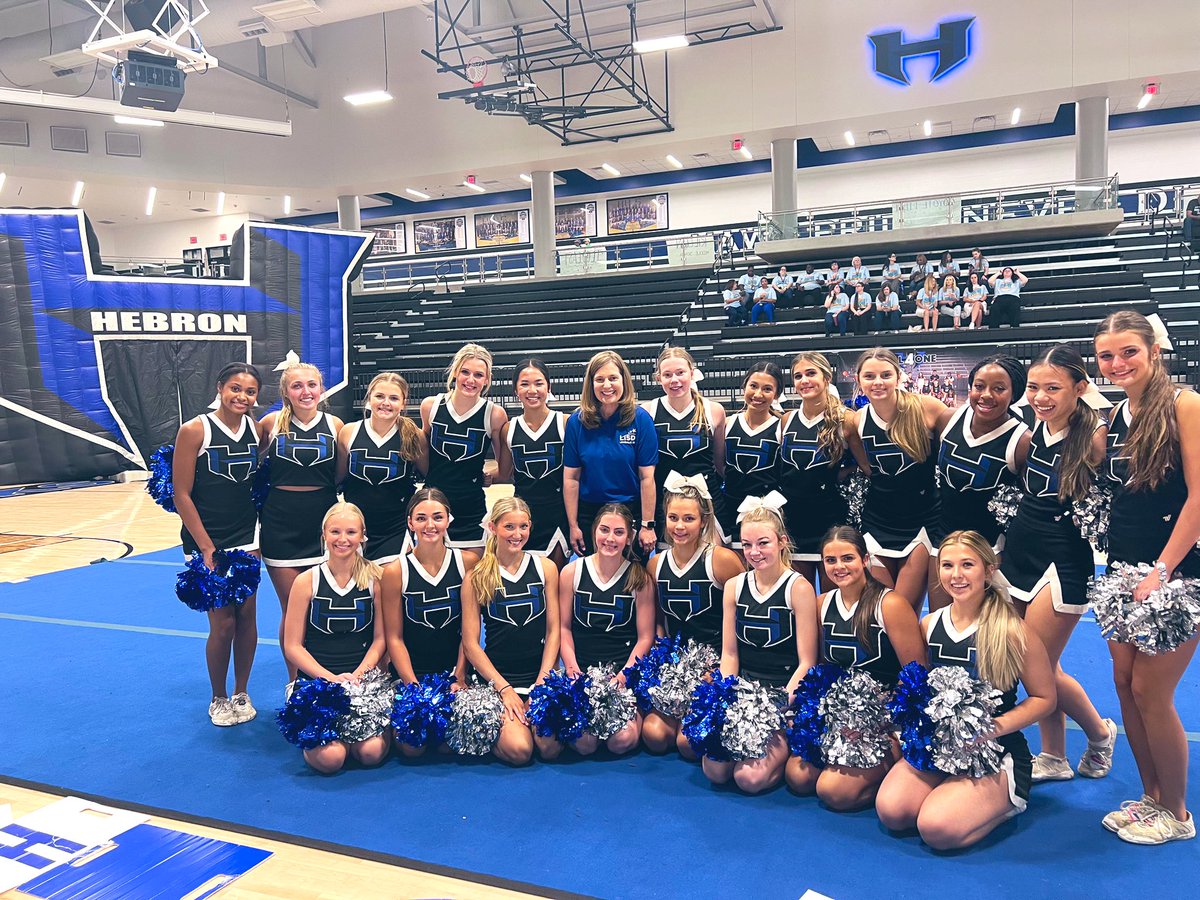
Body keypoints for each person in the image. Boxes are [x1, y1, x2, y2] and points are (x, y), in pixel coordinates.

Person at [875, 531, 1055, 849]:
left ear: (988, 570)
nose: (956, 575)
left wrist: (990, 729)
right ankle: (953, 790)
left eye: (967, 565)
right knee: (892, 811)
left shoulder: (1012, 629)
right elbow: (915, 686)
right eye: (947, 565)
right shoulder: (930, 624)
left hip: (994, 750)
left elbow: (1044, 699)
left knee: (935, 828)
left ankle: (1011, 797)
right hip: (939, 746)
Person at [1094, 311, 1200, 843]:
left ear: (1155, 350)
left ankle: (1177, 813)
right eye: (1107, 355)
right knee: (1123, 686)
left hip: (1174, 573)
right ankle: (1151, 796)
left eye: (1128, 352)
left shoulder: (1186, 405)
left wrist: (1163, 569)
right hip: (1121, 571)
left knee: (1150, 690)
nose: (1117, 364)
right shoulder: (1115, 415)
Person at [1000, 345, 1118, 783]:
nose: (1040, 396)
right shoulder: (1032, 430)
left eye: (1053, 388)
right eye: (1034, 387)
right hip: (1020, 553)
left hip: (1063, 560)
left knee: (1041, 665)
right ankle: (1054, 756)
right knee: (1034, 663)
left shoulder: (1094, 438)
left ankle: (1100, 734)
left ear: (1080, 388)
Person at [785, 527, 925, 809]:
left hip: (884, 720)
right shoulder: (822, 604)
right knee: (797, 778)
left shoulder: (890, 604)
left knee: (833, 791)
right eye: (831, 560)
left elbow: (916, 674)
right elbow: (822, 668)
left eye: (847, 558)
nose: (839, 567)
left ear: (864, 559)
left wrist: (878, 722)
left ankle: (892, 768)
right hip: (840, 715)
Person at [702, 501, 819, 794]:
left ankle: (787, 743)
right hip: (744, 692)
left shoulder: (799, 587)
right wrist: (725, 694)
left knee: (748, 779)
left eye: (763, 543)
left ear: (782, 542)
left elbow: (807, 662)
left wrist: (778, 705)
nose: (754, 552)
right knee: (715, 770)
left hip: (781, 697)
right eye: (747, 544)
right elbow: (729, 653)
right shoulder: (735, 586)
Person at [171, 362, 263, 726]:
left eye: (251, 391)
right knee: (222, 624)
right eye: (236, 388)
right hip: (206, 540)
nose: (242, 396)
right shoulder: (195, 429)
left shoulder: (256, 430)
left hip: (247, 538)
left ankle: (242, 691)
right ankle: (218, 697)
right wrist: (206, 547)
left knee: (247, 618)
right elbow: (181, 494)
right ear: (220, 387)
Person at [281, 502, 390, 774]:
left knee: (371, 753)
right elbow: (292, 646)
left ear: (363, 535)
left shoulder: (377, 578)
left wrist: (358, 676)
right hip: (317, 682)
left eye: (351, 532)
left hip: (361, 681)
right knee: (331, 760)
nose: (343, 539)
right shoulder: (306, 581)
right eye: (335, 532)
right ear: (324, 535)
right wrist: (329, 679)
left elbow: (380, 640)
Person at [643, 477, 743, 756]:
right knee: (653, 736)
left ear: (703, 520)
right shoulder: (656, 564)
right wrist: (663, 662)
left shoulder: (721, 560)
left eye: (689, 518)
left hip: (713, 664)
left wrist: (722, 667)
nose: (679, 526)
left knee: (688, 744)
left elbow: (741, 619)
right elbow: (660, 622)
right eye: (673, 517)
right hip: (676, 664)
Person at [461, 497, 563, 766]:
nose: (517, 535)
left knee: (550, 748)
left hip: (537, 674)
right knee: (520, 751)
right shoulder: (477, 576)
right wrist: (503, 689)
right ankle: (487, 729)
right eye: (509, 527)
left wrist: (543, 681)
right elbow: (471, 644)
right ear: (493, 527)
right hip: (499, 678)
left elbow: (554, 631)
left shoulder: (546, 568)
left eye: (523, 526)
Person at [259, 362, 343, 682]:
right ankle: (295, 682)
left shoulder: (336, 425)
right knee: (292, 607)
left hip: (322, 524)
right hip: (280, 523)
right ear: (285, 392)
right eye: (297, 386)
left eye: (312, 385)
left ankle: (321, 675)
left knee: (319, 606)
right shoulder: (270, 424)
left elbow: (341, 474)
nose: (305, 392)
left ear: (321, 390)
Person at [380, 488, 480, 757]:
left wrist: (459, 676)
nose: (430, 525)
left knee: (451, 745)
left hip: (454, 673)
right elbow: (395, 638)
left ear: (449, 519)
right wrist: (413, 688)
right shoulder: (394, 571)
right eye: (421, 518)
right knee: (412, 748)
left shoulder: (468, 562)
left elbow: (469, 634)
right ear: (410, 522)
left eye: (437, 517)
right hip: (412, 674)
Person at [930, 355, 1031, 611]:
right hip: (942, 542)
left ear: (1014, 393)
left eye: (999, 389)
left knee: (985, 634)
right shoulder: (948, 419)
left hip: (988, 549)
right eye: (979, 386)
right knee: (940, 624)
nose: (986, 395)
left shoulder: (1021, 441)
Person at [559, 503, 656, 755]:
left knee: (621, 741)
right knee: (584, 744)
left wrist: (623, 677)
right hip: (582, 672)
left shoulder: (639, 578)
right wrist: (571, 670)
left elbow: (645, 637)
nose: (610, 539)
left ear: (629, 538)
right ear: (594, 532)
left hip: (620, 674)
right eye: (604, 530)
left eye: (619, 532)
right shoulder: (572, 572)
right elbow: (564, 627)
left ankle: (636, 713)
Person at [856, 348, 945, 610]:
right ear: (859, 380)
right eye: (869, 376)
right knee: (880, 609)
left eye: (886, 375)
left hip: (921, 523)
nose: (878, 382)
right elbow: (867, 469)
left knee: (904, 610)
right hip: (878, 521)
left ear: (898, 376)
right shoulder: (857, 421)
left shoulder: (926, 407)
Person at [779, 353, 866, 587]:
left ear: (827, 377)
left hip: (830, 521)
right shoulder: (786, 420)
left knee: (832, 598)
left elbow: (866, 467)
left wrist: (842, 474)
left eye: (811, 373)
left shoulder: (847, 420)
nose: (804, 380)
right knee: (798, 597)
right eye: (798, 376)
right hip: (793, 521)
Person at [563, 350, 658, 559]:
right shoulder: (576, 422)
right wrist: (573, 525)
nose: (607, 385)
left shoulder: (641, 420)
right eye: (600, 379)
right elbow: (571, 479)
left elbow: (647, 478)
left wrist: (647, 524)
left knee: (632, 579)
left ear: (624, 380)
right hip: (590, 513)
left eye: (613, 378)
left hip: (630, 510)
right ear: (591, 384)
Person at [420, 343, 511, 550]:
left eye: (478, 375)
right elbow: (424, 457)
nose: (471, 380)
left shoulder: (494, 415)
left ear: (487, 379)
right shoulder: (430, 406)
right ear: (455, 373)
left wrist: (489, 477)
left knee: (471, 575)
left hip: (471, 508)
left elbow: (505, 471)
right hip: (433, 506)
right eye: (465, 372)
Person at [337, 372, 427, 565]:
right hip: (354, 528)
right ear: (369, 398)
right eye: (379, 396)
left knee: (389, 590)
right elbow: (338, 478)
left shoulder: (414, 436)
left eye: (394, 398)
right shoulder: (348, 432)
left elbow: (430, 476)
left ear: (403, 403)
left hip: (394, 528)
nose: (386, 403)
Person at [644, 347, 728, 546]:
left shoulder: (714, 410)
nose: (675, 380)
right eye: (667, 375)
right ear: (658, 378)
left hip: (708, 503)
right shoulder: (647, 412)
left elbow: (719, 465)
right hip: (667, 508)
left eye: (680, 372)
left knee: (712, 565)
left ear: (692, 372)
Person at [505, 358, 569, 568]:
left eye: (539, 383)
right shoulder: (508, 429)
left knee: (555, 583)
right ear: (515, 390)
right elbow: (505, 473)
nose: (532, 390)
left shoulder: (565, 423)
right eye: (524, 384)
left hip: (558, 514)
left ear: (549, 387)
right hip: (523, 517)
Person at [718, 363, 783, 548]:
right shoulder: (728, 424)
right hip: (731, 510)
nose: (758, 394)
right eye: (753, 386)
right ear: (744, 386)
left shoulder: (782, 428)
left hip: (767, 516)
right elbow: (720, 466)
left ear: (777, 395)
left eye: (767, 389)